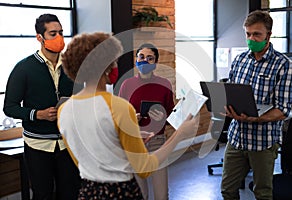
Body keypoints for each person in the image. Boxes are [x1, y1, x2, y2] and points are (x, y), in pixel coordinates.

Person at [57, 32, 199, 199]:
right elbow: (144, 168)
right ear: (106, 68)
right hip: (121, 192)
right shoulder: (119, 107)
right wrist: (180, 133)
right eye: (114, 61)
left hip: (89, 192)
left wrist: (132, 134)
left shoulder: (64, 110)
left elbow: (82, 158)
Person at [221, 10, 292, 200]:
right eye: (248, 34)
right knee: (227, 190)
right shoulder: (239, 60)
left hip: (263, 140)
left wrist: (257, 118)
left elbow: (284, 109)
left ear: (268, 35)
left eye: (257, 34)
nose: (251, 38)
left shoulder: (284, 65)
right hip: (237, 136)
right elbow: (231, 93)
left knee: (262, 193)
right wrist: (225, 107)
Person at [3, 14, 81, 200]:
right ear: (40, 37)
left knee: (70, 194)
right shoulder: (23, 68)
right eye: (53, 33)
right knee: (42, 195)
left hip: (68, 145)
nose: (59, 38)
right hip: (37, 145)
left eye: (61, 33)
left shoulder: (73, 67)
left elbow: (81, 99)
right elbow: (10, 107)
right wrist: (37, 114)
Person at [118, 43, 174, 200]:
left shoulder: (164, 84)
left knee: (162, 195)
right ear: (136, 59)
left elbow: (172, 115)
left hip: (157, 142)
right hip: (134, 143)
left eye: (150, 58)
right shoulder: (127, 85)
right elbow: (119, 117)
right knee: (140, 195)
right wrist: (131, 119)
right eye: (141, 57)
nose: (144, 61)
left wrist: (162, 118)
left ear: (155, 63)